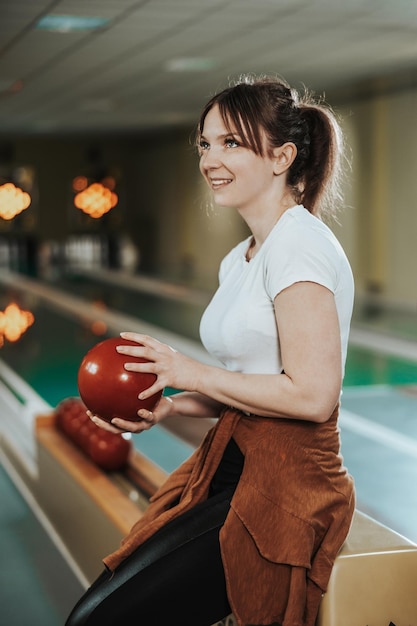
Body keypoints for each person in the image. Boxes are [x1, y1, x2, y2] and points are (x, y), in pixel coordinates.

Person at [66, 75, 355, 626]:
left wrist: (188, 372)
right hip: (229, 468)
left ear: (282, 157)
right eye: (204, 143)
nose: (209, 158)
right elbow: (245, 388)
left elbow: (314, 396)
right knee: (95, 613)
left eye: (231, 143)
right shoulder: (242, 257)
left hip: (289, 483)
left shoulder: (299, 245)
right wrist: (171, 404)